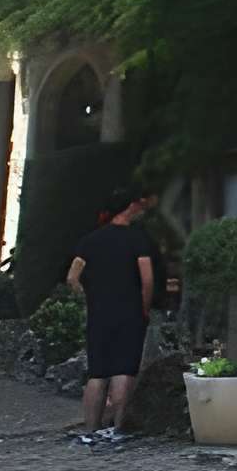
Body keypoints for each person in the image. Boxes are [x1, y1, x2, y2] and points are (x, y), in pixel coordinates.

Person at [66, 188, 154, 445]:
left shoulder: (91, 240)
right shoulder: (137, 239)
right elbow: (146, 278)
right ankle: (117, 427)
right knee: (123, 370)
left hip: (99, 312)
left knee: (97, 373)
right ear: (129, 207)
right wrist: (144, 307)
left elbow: (72, 276)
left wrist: (88, 296)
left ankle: (90, 429)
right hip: (128, 311)